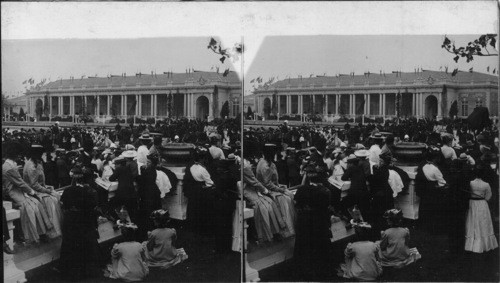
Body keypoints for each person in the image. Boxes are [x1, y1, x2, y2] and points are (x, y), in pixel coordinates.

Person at [2, 141, 53, 244]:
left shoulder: (10, 164)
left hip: (19, 191)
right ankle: (30, 234)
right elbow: (20, 183)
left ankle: (40, 232)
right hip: (14, 193)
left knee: (37, 204)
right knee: (31, 207)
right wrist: (33, 192)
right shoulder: (8, 167)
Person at [59, 165, 102, 280]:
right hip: (85, 220)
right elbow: (94, 207)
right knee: (86, 246)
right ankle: (87, 271)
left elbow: (63, 205)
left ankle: (69, 272)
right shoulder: (91, 191)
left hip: (72, 220)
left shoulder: (68, 191)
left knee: (70, 245)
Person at [293, 162, 332, 278]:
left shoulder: (301, 190)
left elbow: (296, 203)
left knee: (304, 247)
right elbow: (327, 207)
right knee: (320, 247)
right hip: (319, 222)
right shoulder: (325, 191)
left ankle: (304, 271)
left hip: (305, 222)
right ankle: (322, 270)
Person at [23, 144, 63, 238]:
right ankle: (52, 230)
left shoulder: (36, 162)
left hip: (39, 188)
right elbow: (34, 184)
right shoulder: (32, 166)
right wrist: (46, 190)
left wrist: (47, 187)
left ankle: (58, 228)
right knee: (52, 201)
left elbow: (40, 182)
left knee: (56, 195)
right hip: (33, 191)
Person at [256, 144, 296, 238]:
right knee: (287, 200)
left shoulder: (265, 162)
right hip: (266, 190)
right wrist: (280, 189)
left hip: (272, 187)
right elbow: (267, 183)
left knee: (290, 195)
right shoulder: (265, 165)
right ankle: (287, 229)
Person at [464, 164, 499, 253]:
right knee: (483, 222)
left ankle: (473, 245)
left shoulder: (471, 183)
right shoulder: (486, 184)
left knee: (473, 221)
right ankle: (484, 244)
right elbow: (488, 196)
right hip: (482, 204)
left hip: (472, 203)